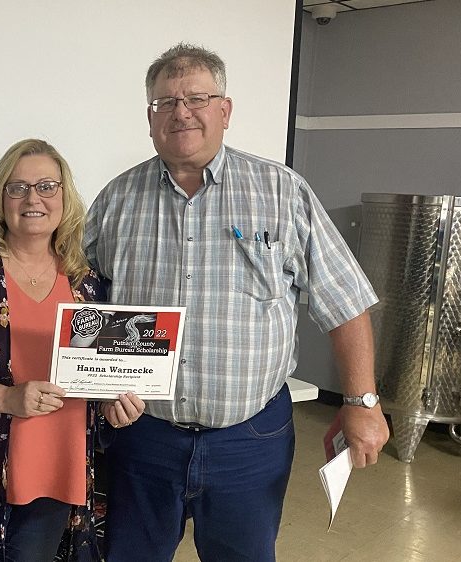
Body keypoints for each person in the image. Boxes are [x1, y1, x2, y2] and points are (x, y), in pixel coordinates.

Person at [84, 44, 390, 562]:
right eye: (165, 102)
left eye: (197, 98)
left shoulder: (281, 191)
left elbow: (345, 301)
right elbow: (84, 304)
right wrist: (100, 386)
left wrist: (362, 402)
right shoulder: (115, 200)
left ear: (224, 111)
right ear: (150, 118)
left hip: (250, 439)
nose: (181, 112)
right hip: (142, 437)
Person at [0, 139, 145, 562]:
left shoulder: (86, 283)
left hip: (57, 470)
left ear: (64, 197)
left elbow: (97, 379)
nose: (33, 198)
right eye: (17, 187)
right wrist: (7, 398)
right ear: (0, 198)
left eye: (46, 186)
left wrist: (114, 405)